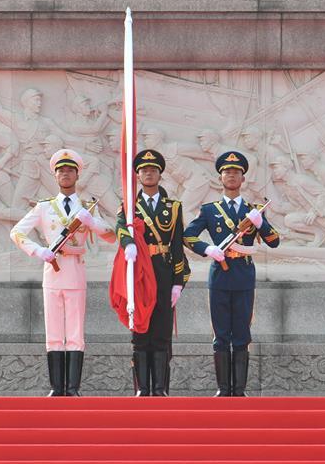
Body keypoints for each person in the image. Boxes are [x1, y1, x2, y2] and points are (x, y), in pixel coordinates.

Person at [11, 149, 116, 396]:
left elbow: (111, 236)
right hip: (53, 271)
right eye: (61, 171)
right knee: (55, 330)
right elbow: (17, 232)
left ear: (77, 175)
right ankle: (57, 388)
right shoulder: (44, 207)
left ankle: (73, 387)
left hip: (76, 272)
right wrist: (38, 251)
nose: (65, 174)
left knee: (76, 332)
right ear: (55, 176)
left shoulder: (87, 207)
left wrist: (92, 223)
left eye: (69, 170)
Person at [184, 152, 280, 397]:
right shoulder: (209, 210)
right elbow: (188, 236)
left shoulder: (253, 211)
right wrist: (208, 249)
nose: (231, 175)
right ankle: (223, 388)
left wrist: (261, 224)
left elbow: (274, 241)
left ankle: (239, 390)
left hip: (244, 274)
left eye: (236, 172)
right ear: (220, 178)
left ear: (243, 178)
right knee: (220, 333)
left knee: (242, 333)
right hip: (220, 275)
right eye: (227, 172)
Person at [116, 149, 191, 396]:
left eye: (153, 170)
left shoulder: (174, 207)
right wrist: (128, 244)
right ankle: (142, 389)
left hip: (163, 271)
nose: (148, 173)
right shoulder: (129, 206)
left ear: (159, 174)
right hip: (138, 272)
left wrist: (178, 282)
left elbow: (178, 244)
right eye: (144, 170)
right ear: (137, 175)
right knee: (140, 331)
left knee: (160, 332)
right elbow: (120, 227)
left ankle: (160, 389)